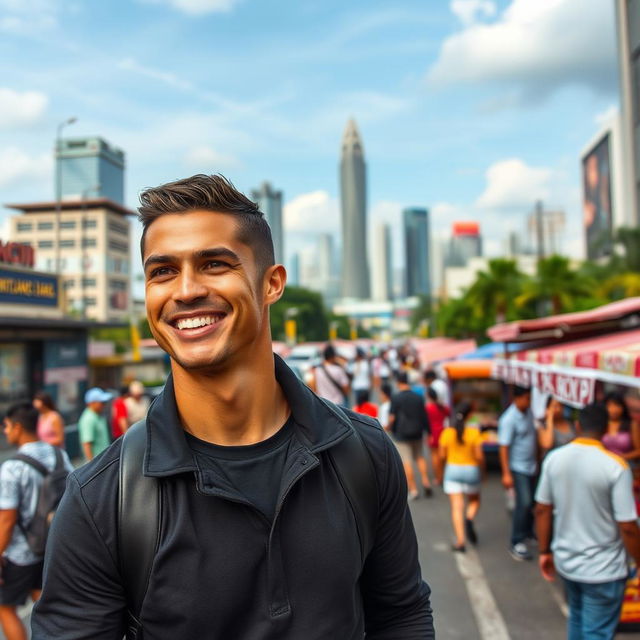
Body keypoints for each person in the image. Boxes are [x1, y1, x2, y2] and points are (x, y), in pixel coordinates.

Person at [32, 174, 434, 638]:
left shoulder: (363, 453)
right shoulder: (101, 499)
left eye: (214, 264)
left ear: (272, 284)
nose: (185, 291)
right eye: (162, 271)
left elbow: (401, 615)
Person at [535, 403, 640, 640]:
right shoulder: (616, 466)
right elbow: (628, 526)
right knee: (595, 632)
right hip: (605, 570)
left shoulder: (554, 459)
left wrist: (544, 551)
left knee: (578, 620)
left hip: (568, 563)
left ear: (578, 426)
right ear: (605, 430)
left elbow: (542, 509)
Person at [0, 403, 72, 640]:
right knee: (43, 600)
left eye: (7, 426)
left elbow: (7, 520)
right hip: (52, 544)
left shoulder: (12, 468)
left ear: (18, 428)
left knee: (5, 607)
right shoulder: (58, 454)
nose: (5, 431)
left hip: (20, 553)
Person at [498, 385, 537, 561]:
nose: (529, 402)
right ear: (517, 398)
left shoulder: (529, 413)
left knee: (532, 502)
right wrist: (506, 473)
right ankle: (516, 541)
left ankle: (528, 532)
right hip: (518, 467)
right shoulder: (509, 419)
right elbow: (504, 447)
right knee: (524, 503)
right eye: (527, 398)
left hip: (532, 466)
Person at [439, 401, 484, 552]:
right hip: (471, 470)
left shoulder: (447, 433)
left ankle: (460, 541)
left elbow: (441, 455)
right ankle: (470, 518)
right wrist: (483, 472)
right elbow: (479, 456)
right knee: (475, 500)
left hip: (452, 470)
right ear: (469, 415)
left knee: (457, 507)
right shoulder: (474, 433)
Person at [388, 371, 432, 500]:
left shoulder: (396, 398)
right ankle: (426, 482)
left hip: (402, 434)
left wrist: (390, 428)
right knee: (419, 457)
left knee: (407, 462)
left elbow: (392, 417)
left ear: (398, 383)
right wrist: (428, 431)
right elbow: (424, 415)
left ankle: (414, 490)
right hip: (417, 431)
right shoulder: (418, 397)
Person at [602, 391, 640, 463]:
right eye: (609, 405)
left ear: (623, 407)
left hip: (625, 465)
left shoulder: (631, 424)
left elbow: (638, 451)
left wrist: (620, 457)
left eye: (617, 405)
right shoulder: (602, 423)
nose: (613, 409)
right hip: (605, 466)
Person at [77, 388, 113, 461]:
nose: (104, 404)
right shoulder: (88, 419)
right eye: (101, 402)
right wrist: (92, 466)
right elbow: (87, 444)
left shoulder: (98, 415)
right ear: (92, 403)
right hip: (97, 464)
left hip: (103, 461)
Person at [426, 387, 450, 486]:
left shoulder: (428, 408)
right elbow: (449, 413)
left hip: (432, 433)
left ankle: (439, 477)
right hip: (443, 432)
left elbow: (425, 421)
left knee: (435, 456)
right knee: (443, 456)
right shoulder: (442, 406)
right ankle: (444, 475)